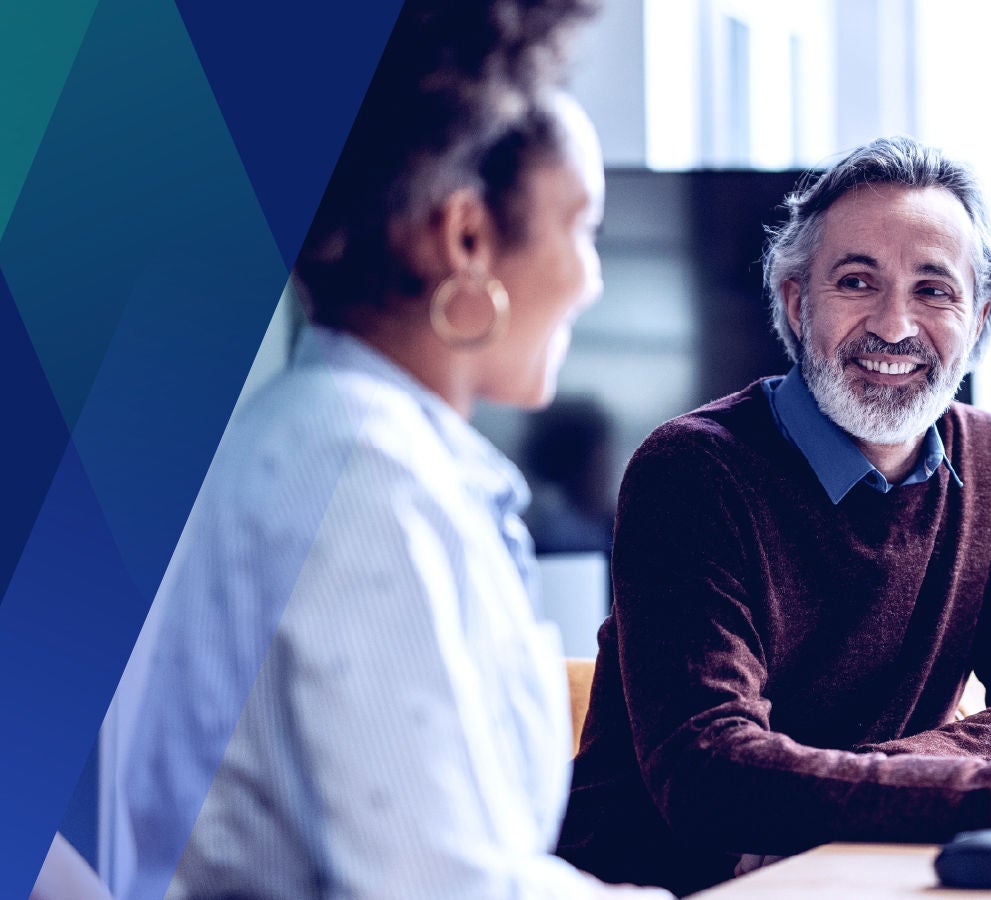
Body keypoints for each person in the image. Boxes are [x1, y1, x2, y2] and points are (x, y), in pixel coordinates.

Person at [118, 2, 665, 897]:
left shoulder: (356, 443)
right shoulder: (362, 474)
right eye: (584, 227)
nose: (593, 277)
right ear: (466, 238)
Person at [558, 136, 991, 895]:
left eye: (935, 291)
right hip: (675, 888)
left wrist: (826, 801)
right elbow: (707, 772)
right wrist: (981, 791)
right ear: (794, 302)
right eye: (856, 281)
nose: (895, 326)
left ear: (976, 323)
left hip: (884, 869)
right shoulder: (691, 470)